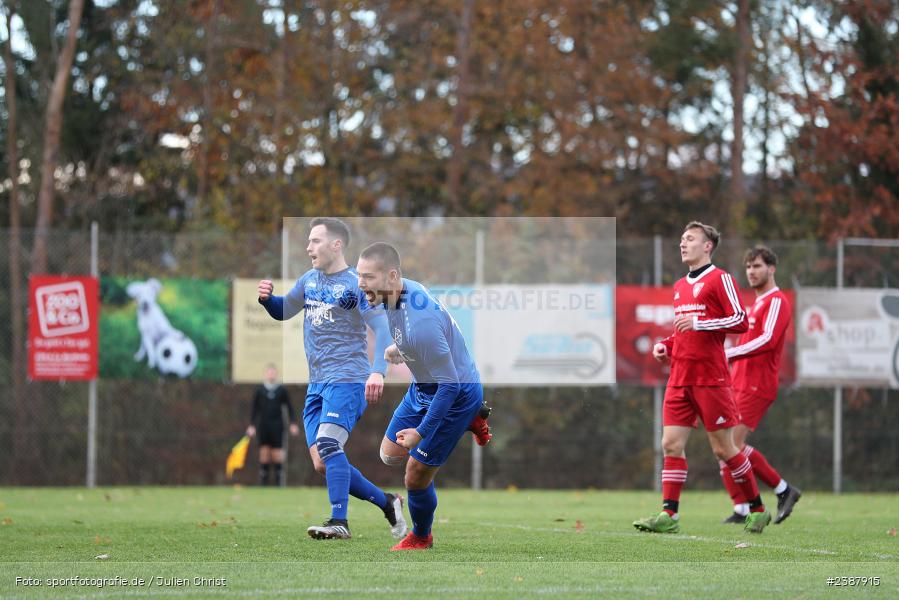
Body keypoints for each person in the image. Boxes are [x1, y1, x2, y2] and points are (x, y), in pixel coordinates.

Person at [258, 217, 407, 541]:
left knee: (328, 444)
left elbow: (382, 328)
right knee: (324, 463)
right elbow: (284, 310)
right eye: (309, 241)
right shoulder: (308, 281)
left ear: (336, 245)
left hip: (348, 379)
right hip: (317, 384)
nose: (309, 247)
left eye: (315, 241)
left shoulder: (356, 283)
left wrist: (377, 372)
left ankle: (339, 521)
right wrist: (269, 300)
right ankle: (388, 502)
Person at [633, 221, 772, 534]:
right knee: (670, 444)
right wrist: (665, 345)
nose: (683, 244)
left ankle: (758, 509)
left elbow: (740, 320)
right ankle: (669, 515)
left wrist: (700, 324)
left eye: (691, 239)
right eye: (682, 239)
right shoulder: (680, 285)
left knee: (723, 449)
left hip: (710, 378)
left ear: (708, 246)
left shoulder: (720, 279)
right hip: (680, 376)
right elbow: (683, 330)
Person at [356, 242, 490, 551]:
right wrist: (399, 350)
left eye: (368, 277)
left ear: (392, 276)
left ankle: (421, 536)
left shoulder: (421, 321)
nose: (361, 284)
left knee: (414, 476)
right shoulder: (395, 294)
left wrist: (421, 432)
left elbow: (450, 385)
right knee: (389, 454)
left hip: (456, 394)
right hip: (425, 387)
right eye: (359, 276)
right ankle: (470, 421)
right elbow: (417, 340)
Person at [719, 245, 801, 525]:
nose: (752, 272)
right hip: (738, 383)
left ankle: (783, 490)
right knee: (723, 448)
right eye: (749, 267)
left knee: (732, 445)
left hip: (756, 386)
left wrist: (729, 353)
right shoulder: (756, 303)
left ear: (772, 268)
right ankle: (742, 509)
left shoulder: (777, 301)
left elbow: (767, 341)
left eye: (757, 266)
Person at [246, 363, 300, 486]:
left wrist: (292, 423)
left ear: (276, 374)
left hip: (277, 425)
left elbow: (290, 407)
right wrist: (252, 425)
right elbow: (255, 409)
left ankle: (278, 483)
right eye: (269, 372)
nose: (271, 374)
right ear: (266, 374)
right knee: (264, 452)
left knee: (277, 453)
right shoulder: (260, 390)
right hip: (263, 426)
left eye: (273, 372)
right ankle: (263, 483)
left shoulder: (281, 390)